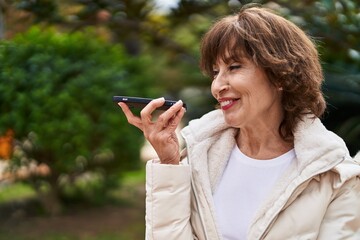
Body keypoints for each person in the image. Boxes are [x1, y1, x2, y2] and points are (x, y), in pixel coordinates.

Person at [117, 4, 360, 240]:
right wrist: (170, 164)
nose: (217, 86)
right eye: (215, 72)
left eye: (234, 67)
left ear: (281, 76)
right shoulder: (199, 154)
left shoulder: (335, 175)